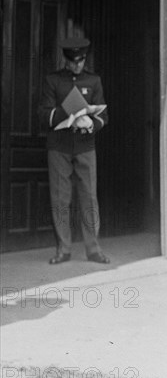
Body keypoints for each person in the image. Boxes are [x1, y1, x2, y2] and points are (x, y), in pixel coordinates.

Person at [39, 38, 110, 264]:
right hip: (59, 146)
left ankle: (93, 249)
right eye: (73, 61)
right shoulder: (53, 80)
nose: (77, 65)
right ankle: (64, 249)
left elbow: (103, 115)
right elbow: (45, 115)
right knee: (61, 198)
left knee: (89, 197)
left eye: (81, 61)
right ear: (66, 60)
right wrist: (70, 108)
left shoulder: (94, 80)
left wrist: (92, 123)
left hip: (85, 146)